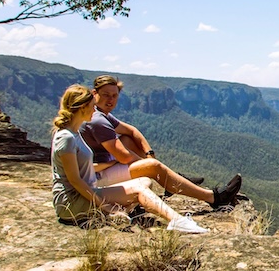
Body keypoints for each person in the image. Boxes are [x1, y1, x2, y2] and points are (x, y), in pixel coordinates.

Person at [50, 84, 208, 233]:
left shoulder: (75, 133)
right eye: (92, 106)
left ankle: (121, 212)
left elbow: (81, 167)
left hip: (85, 194)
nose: (94, 109)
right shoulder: (66, 137)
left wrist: (108, 164)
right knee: (139, 190)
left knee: (145, 182)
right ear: (82, 107)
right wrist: (106, 207)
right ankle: (177, 221)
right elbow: (75, 181)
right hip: (71, 202)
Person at [81, 75, 241, 209]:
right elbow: (124, 157)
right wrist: (150, 165)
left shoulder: (101, 113)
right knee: (153, 167)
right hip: (94, 177)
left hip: (99, 168)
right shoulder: (98, 120)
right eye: (106, 95)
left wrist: (149, 154)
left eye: (114, 95)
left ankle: (172, 180)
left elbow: (132, 131)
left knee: (128, 140)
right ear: (94, 93)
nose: (110, 100)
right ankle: (214, 197)